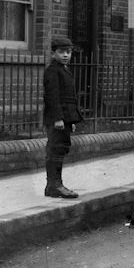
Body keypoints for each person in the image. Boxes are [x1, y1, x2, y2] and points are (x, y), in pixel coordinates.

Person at [43, 36, 84, 199]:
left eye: (68, 52)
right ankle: (54, 185)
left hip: (65, 118)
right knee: (56, 149)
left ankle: (54, 185)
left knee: (61, 148)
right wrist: (58, 119)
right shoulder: (52, 71)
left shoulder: (64, 70)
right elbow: (52, 97)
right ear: (53, 53)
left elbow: (69, 97)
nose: (66, 55)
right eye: (61, 52)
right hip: (57, 119)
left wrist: (71, 120)